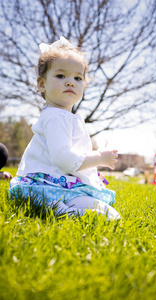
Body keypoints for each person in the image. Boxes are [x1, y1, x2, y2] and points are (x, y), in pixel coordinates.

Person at [9, 37, 120, 220]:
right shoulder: (55, 117)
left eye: (78, 77)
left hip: (54, 187)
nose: (70, 82)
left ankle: (63, 211)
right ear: (41, 84)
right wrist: (99, 157)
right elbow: (64, 159)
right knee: (110, 217)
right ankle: (61, 212)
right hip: (45, 189)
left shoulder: (64, 117)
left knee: (109, 214)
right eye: (61, 76)